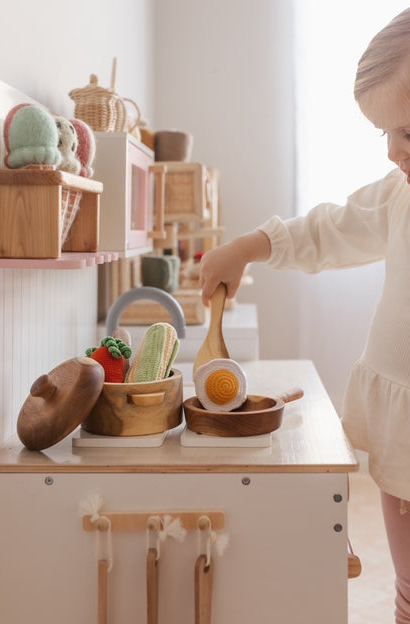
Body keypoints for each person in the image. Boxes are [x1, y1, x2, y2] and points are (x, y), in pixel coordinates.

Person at [199, 8, 410, 623]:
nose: (395, 152)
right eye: (386, 136)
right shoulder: (399, 195)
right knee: (401, 541)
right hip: (399, 407)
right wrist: (247, 247)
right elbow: (330, 229)